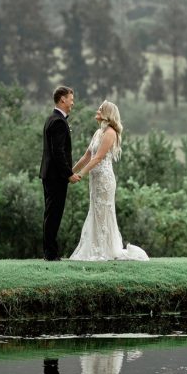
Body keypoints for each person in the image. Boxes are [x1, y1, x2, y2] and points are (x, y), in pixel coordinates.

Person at [69, 101, 149, 262]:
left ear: (107, 114)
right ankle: (97, 247)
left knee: (103, 213)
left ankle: (104, 250)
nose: (97, 110)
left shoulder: (110, 133)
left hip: (104, 180)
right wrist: (70, 172)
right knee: (96, 212)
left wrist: (81, 175)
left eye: (100, 109)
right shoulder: (98, 133)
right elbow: (87, 156)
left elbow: (98, 157)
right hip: (95, 179)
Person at [39, 85, 81, 262]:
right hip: (56, 177)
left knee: (51, 213)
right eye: (71, 99)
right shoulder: (58, 122)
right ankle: (51, 253)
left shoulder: (52, 119)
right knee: (54, 214)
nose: (72, 102)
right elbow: (58, 152)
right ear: (62, 99)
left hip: (49, 175)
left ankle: (50, 251)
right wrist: (68, 174)